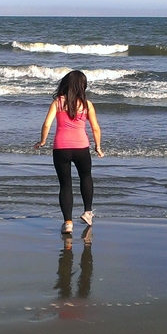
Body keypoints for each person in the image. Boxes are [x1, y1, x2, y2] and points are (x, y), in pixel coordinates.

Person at [35, 69, 103, 234]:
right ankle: (87, 212)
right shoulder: (86, 104)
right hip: (81, 148)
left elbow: (47, 124)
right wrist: (98, 147)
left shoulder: (57, 103)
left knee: (65, 185)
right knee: (86, 177)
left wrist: (42, 141)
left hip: (61, 148)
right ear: (82, 86)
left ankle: (68, 223)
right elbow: (95, 128)